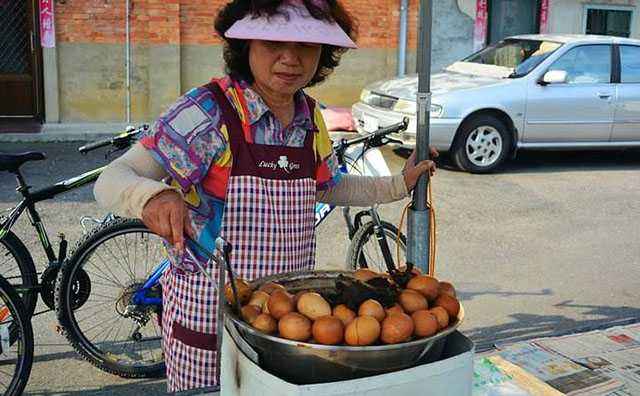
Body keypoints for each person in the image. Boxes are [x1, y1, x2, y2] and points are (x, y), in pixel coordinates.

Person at [94, 0, 436, 393]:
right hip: (211, 311)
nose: (290, 58)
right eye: (274, 42)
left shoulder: (310, 116)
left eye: (306, 45)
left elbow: (328, 185)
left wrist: (398, 184)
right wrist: (150, 196)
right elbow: (113, 178)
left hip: (287, 314)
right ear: (247, 45)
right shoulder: (209, 111)